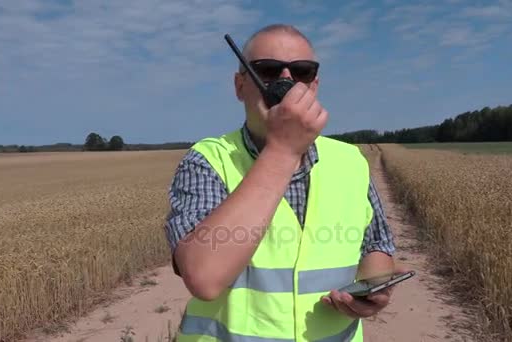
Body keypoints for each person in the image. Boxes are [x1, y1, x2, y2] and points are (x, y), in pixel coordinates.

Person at [164, 24, 399, 341]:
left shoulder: (350, 161)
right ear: (240, 85)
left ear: (313, 86)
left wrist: (372, 289)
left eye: (301, 71)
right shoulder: (207, 161)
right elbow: (204, 277)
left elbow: (376, 245)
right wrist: (283, 150)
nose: (286, 80)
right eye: (269, 70)